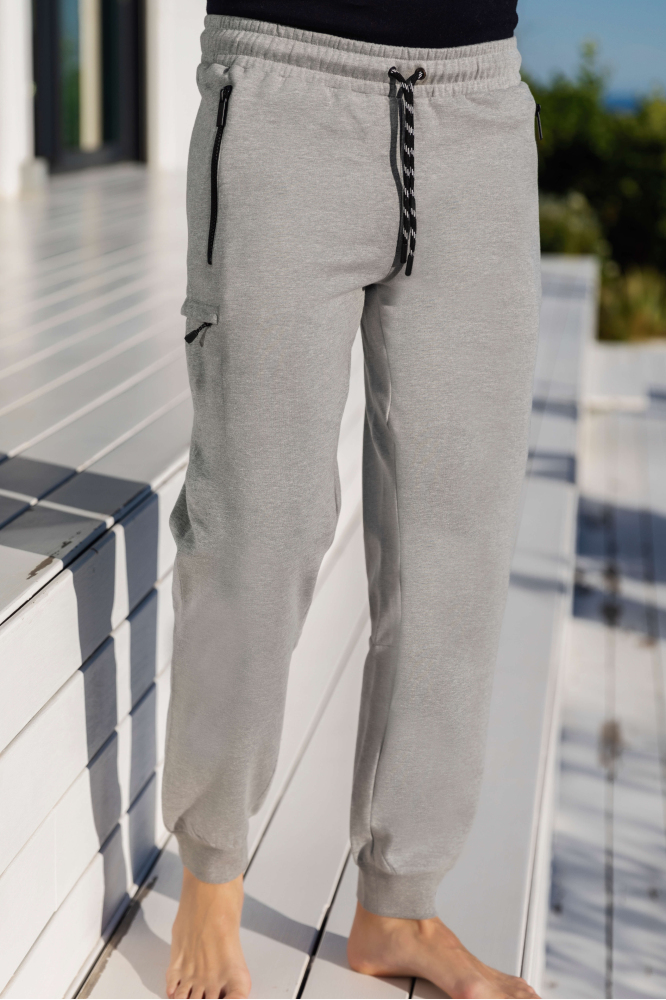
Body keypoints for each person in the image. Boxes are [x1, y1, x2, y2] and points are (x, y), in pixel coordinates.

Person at [162, 2, 542, 997]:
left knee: (456, 545)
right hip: (284, 83)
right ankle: (212, 872)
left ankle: (399, 903)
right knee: (260, 522)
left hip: (479, 107)